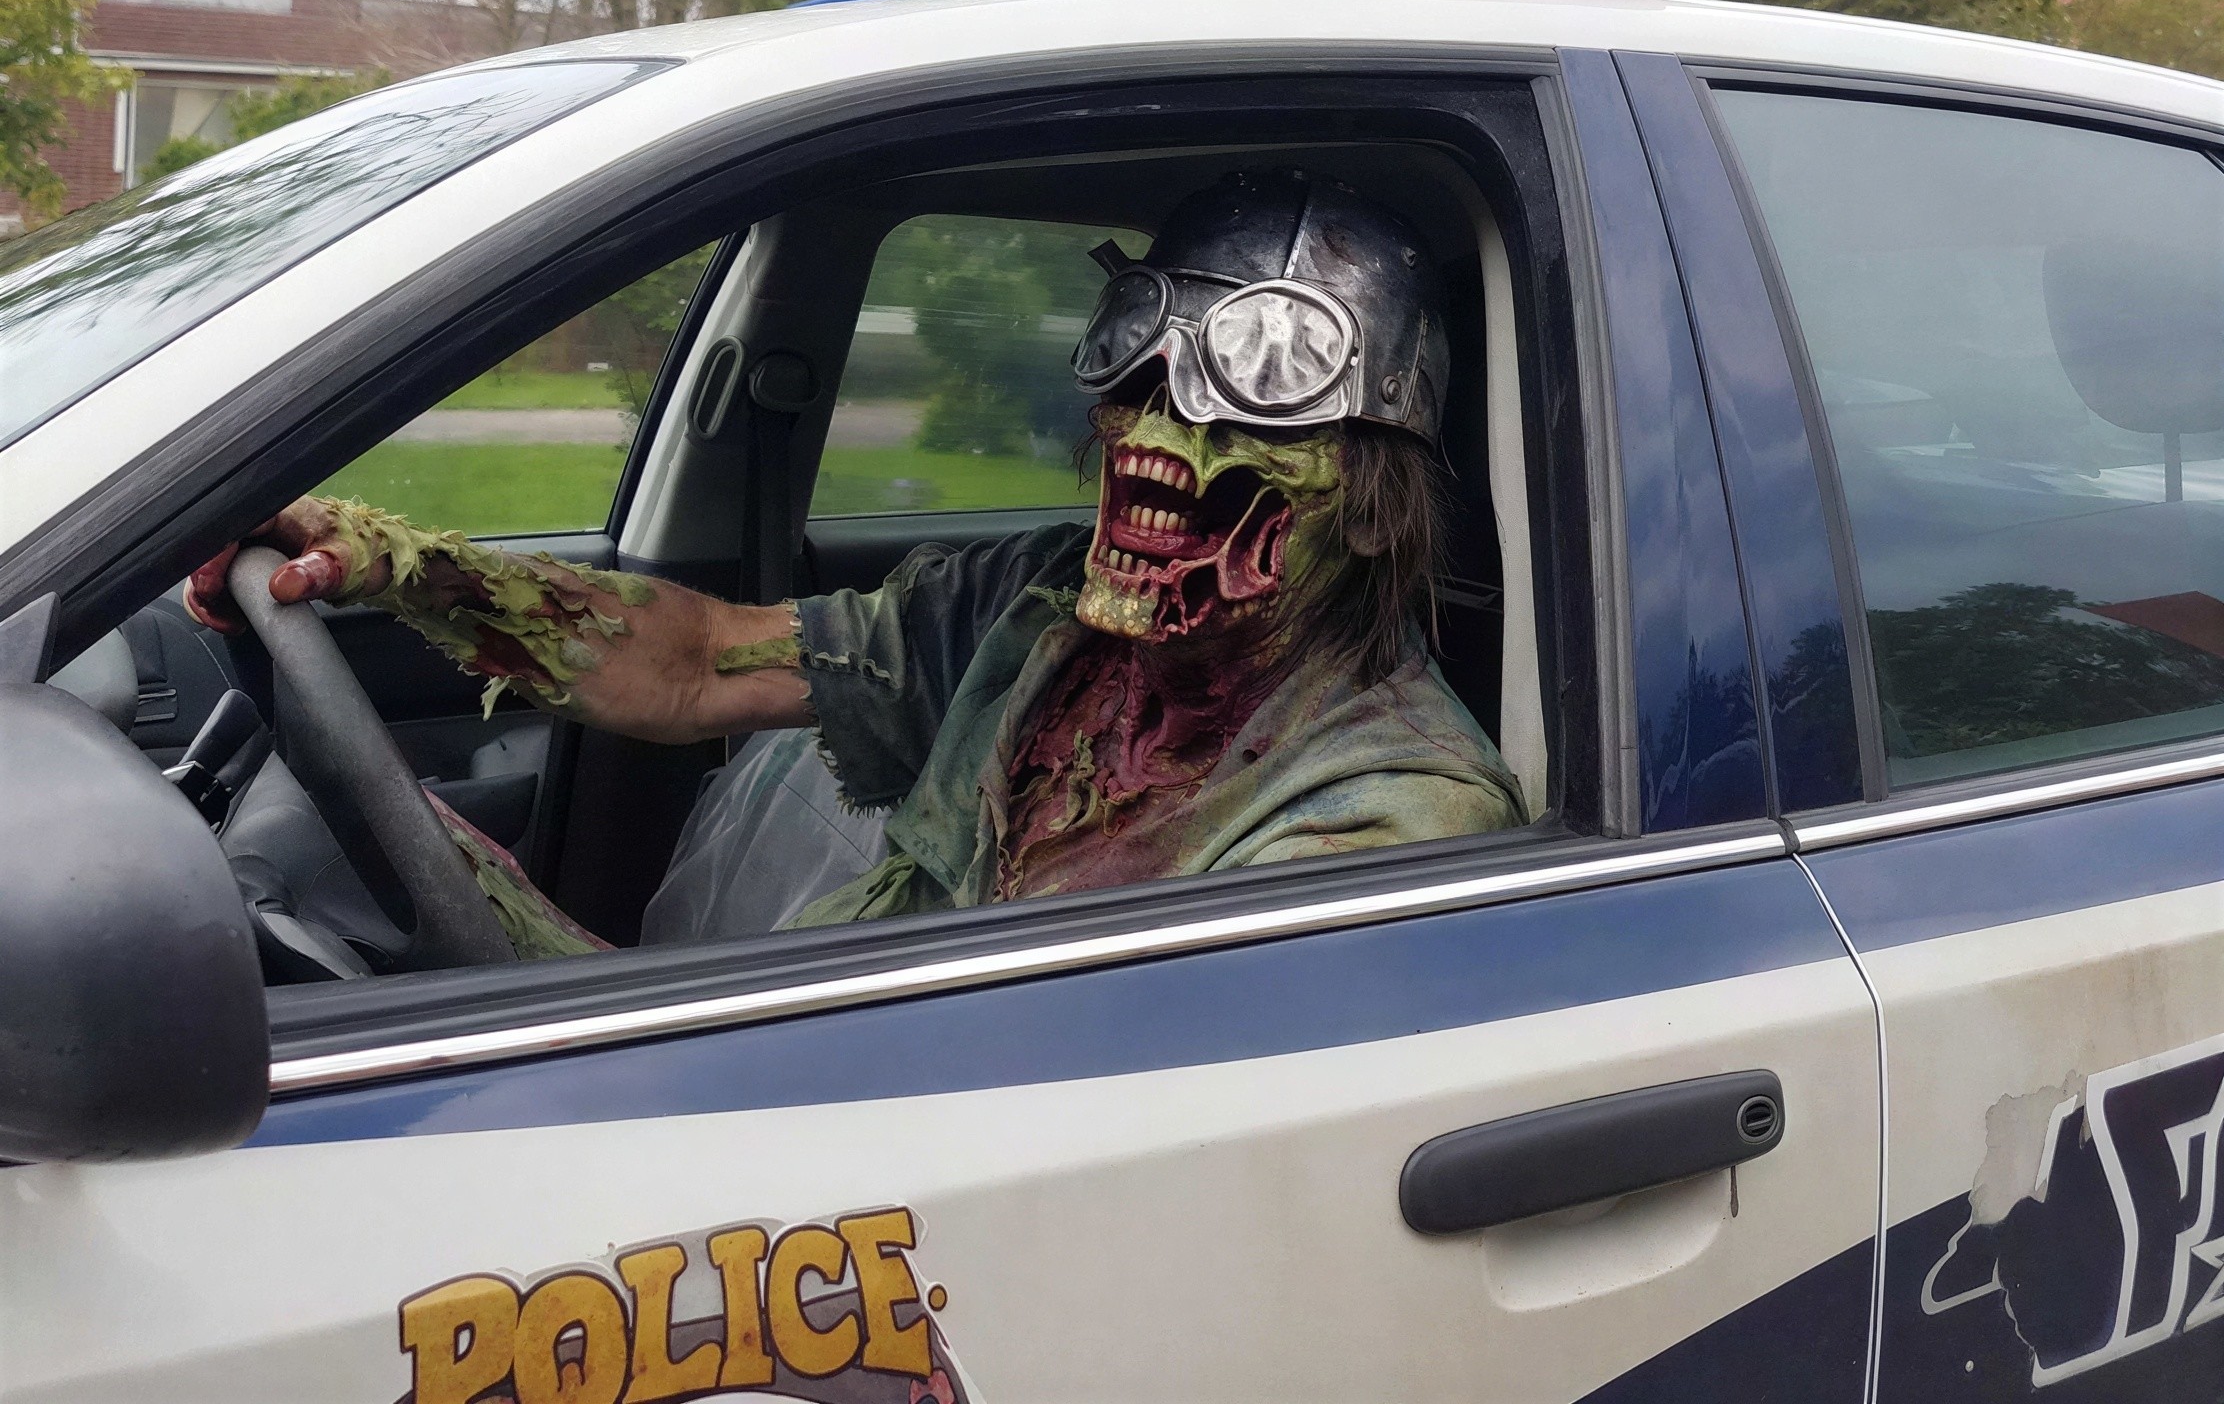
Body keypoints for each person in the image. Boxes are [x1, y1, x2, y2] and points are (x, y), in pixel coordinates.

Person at [190, 170, 1524, 946]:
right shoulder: (1042, 613)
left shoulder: (1385, 824)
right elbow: (702, 661)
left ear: (1369, 496)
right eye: (1134, 350)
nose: (1151, 422)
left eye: (1264, 379)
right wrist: (388, 564)